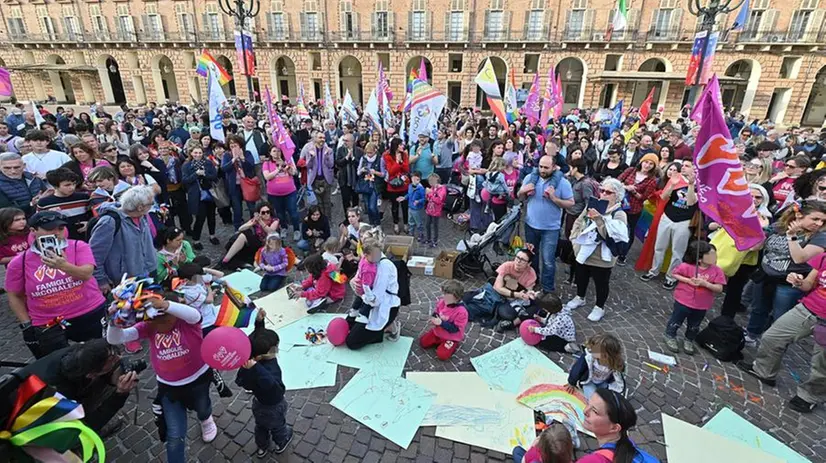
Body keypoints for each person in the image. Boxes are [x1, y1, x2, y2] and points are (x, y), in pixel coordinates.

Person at [106, 295, 218, 463]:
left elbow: (194, 314)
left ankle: (205, 418)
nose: (160, 325)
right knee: (174, 436)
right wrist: (114, 320)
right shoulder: (149, 327)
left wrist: (165, 305)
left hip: (198, 379)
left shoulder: (188, 322)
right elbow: (114, 339)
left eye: (165, 319)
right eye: (155, 320)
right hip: (169, 387)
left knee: (202, 406)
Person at [6, 211, 107, 358]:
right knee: (59, 363)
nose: (56, 233)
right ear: (33, 231)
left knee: (101, 357)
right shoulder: (19, 262)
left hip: (88, 312)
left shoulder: (78, 246)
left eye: (60, 228)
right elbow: (14, 295)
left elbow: (86, 274)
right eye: (49, 229)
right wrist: (26, 324)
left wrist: (64, 265)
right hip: (48, 321)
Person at [738, 248, 826, 413]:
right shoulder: (823, 258)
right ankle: (764, 371)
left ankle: (808, 396)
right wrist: (799, 282)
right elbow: (808, 284)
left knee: (821, 365)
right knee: (772, 337)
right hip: (808, 309)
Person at [12, 339, 138, 434]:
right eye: (112, 359)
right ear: (91, 374)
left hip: (59, 391)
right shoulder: (58, 394)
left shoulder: (79, 354)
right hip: (32, 422)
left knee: (114, 376)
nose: (120, 357)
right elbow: (84, 425)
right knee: (77, 430)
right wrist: (120, 394)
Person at [745, 200, 826, 344]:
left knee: (780, 317)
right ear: (799, 215)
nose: (819, 224)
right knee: (758, 309)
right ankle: (752, 335)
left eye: (823, 221)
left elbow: (799, 258)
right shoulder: (779, 227)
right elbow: (755, 247)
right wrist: (759, 229)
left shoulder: (820, 237)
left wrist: (792, 236)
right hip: (766, 275)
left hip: (788, 283)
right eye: (815, 219)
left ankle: (770, 345)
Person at [565, 178, 629, 322]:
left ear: (617, 195)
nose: (603, 194)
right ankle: (580, 297)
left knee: (601, 282)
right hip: (583, 252)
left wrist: (599, 220)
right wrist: (574, 238)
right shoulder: (593, 204)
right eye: (602, 190)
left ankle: (599, 307)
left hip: (602, 257)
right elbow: (580, 220)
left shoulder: (619, 214)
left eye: (608, 192)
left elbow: (614, 236)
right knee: (581, 276)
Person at [236, 310, 294, 457]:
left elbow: (256, 339)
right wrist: (257, 369)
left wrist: (259, 322)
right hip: (274, 405)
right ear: (264, 354)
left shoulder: (251, 360)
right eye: (275, 347)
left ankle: (262, 447)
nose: (277, 349)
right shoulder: (267, 369)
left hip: (258, 403)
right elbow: (274, 387)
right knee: (278, 426)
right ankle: (282, 441)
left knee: (260, 426)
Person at [518, 155, 575, 293]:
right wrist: (523, 191)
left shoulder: (562, 183)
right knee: (532, 257)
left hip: (551, 229)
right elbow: (520, 197)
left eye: (546, 167)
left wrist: (554, 198)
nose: (542, 170)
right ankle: (533, 281)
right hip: (531, 225)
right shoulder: (530, 178)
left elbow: (571, 203)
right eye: (541, 166)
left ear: (554, 167)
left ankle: (548, 289)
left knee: (548, 260)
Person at [713, 184, 772, 318]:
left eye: (758, 197)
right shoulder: (730, 210)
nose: (754, 199)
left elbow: (755, 247)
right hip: (721, 253)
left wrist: (762, 229)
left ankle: (726, 319)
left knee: (734, 291)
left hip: (744, 260)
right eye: (750, 196)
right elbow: (710, 225)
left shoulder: (765, 218)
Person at [640, 160, 698, 290]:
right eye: (682, 165)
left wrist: (691, 184)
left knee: (678, 251)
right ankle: (653, 270)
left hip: (684, 221)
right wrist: (672, 185)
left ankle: (671, 277)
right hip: (668, 217)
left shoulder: (699, 184)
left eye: (687, 166)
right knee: (659, 246)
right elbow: (664, 197)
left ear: (694, 169)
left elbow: (690, 202)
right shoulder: (676, 178)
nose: (683, 168)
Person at [89, 186, 158, 294]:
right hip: (126, 280)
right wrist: (101, 280)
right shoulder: (109, 222)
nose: (152, 206)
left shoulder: (142, 216)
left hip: (149, 271)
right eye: (151, 204)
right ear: (140, 207)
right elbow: (95, 254)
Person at [663, 241, 726, 354]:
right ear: (699, 259)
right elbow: (675, 274)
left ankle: (689, 339)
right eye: (710, 255)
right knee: (676, 319)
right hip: (683, 301)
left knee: (695, 324)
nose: (714, 257)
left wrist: (706, 284)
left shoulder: (717, 271)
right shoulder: (686, 266)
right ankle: (670, 335)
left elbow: (719, 288)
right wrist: (688, 280)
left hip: (701, 305)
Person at [344, 234, 403, 349]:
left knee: (352, 342)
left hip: (383, 305)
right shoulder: (367, 259)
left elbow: (376, 300)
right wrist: (353, 283)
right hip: (367, 300)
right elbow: (358, 277)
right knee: (348, 325)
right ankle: (381, 328)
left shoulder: (384, 267)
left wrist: (361, 294)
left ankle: (388, 327)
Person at [577, 389, 658, 462]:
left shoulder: (592, 461)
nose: (585, 411)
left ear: (614, 428)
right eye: (588, 403)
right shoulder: (629, 446)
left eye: (595, 411)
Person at [616, 154, 660, 266]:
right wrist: (626, 187)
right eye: (646, 162)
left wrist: (634, 192)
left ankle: (623, 254)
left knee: (629, 231)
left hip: (634, 208)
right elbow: (616, 182)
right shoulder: (631, 170)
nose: (647, 165)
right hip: (619, 204)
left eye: (651, 164)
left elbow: (644, 197)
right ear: (641, 162)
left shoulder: (652, 180)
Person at [490, 249, 539, 332]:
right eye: (517, 257)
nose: (518, 261)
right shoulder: (507, 266)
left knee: (538, 304)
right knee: (507, 314)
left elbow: (526, 293)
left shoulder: (531, 273)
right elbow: (498, 288)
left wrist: (529, 294)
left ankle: (513, 323)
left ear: (529, 264)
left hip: (519, 300)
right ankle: (520, 318)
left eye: (522, 260)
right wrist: (517, 294)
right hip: (503, 298)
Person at [221, 202, 279, 270]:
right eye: (263, 212)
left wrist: (261, 222)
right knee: (243, 234)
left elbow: (270, 232)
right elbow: (240, 229)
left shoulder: (274, 220)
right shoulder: (256, 220)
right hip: (258, 242)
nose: (266, 214)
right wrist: (251, 224)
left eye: (268, 212)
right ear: (259, 214)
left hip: (269, 244)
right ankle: (226, 260)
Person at [36, 168, 91, 240]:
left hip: (85, 238)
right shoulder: (44, 203)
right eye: (67, 185)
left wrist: (89, 224)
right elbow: (39, 224)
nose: (72, 188)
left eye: (74, 184)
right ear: (55, 186)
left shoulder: (84, 197)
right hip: (61, 240)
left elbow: (93, 215)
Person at [182, 145, 220, 250]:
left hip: (209, 193)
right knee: (200, 218)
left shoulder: (208, 163)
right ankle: (196, 239)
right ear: (191, 153)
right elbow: (185, 180)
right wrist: (196, 174)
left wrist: (205, 174)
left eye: (199, 153)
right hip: (196, 195)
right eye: (195, 153)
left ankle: (212, 235)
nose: (198, 155)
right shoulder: (187, 165)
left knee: (212, 216)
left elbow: (214, 176)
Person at [419, 280, 467, 361]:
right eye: (444, 294)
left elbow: (455, 329)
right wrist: (433, 318)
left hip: (451, 337)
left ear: (456, 298)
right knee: (423, 342)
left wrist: (441, 323)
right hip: (438, 332)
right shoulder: (442, 302)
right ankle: (439, 340)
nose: (444, 297)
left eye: (447, 295)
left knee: (442, 355)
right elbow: (436, 312)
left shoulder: (462, 312)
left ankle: (454, 343)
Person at [566, 333, 626, 399]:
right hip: (589, 382)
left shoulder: (615, 363)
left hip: (604, 383)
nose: (591, 350)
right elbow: (577, 369)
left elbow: (619, 378)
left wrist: (618, 390)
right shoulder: (588, 357)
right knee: (594, 398)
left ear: (606, 355)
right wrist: (571, 382)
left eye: (595, 349)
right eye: (592, 348)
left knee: (608, 399)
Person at [262, 145, 300, 242]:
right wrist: (277, 169)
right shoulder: (266, 163)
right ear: (270, 153)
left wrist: (288, 168)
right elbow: (267, 177)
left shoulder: (287, 160)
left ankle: (296, 229)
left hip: (290, 192)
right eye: (274, 151)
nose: (276, 153)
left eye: (278, 151)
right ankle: (283, 228)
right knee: (280, 213)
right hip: (274, 194)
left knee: (293, 212)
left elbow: (294, 173)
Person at [222, 134, 258, 229]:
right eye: (231, 145)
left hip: (247, 185)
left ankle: (256, 227)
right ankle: (238, 229)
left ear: (240, 145)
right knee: (237, 210)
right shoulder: (226, 155)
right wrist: (233, 160)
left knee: (252, 208)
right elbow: (224, 168)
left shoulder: (247, 153)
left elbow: (251, 167)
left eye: (235, 144)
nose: (233, 146)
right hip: (235, 186)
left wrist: (242, 158)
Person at [300, 130, 335, 219]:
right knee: (318, 203)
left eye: (323, 138)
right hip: (315, 179)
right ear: (315, 139)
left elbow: (331, 165)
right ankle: (321, 219)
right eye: (320, 137)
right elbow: (308, 166)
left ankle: (328, 220)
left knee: (327, 202)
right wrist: (311, 157)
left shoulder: (329, 150)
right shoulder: (309, 150)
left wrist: (326, 156)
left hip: (326, 179)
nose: (322, 140)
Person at [0, 152, 47, 217]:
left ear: (24, 165)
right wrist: (31, 204)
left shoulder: (34, 178)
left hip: (42, 217)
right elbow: (5, 210)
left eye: (17, 167)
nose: (13, 171)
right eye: (7, 168)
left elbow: (46, 194)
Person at [383, 138, 411, 234]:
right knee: (394, 206)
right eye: (400, 145)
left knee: (405, 205)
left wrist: (401, 162)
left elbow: (407, 168)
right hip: (393, 185)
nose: (403, 146)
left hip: (404, 185)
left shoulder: (405, 155)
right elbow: (390, 171)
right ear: (396, 146)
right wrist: (397, 163)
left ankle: (406, 224)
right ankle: (396, 223)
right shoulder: (387, 156)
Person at [356, 142, 386, 226]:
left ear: (375, 151)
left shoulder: (380, 159)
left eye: (371, 153)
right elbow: (358, 172)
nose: (369, 155)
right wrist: (362, 170)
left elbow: (383, 174)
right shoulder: (363, 158)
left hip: (375, 186)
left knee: (373, 207)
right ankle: (372, 224)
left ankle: (377, 224)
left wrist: (375, 172)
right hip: (365, 185)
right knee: (368, 208)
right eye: (367, 153)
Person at [335, 133, 362, 213]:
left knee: (355, 200)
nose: (344, 142)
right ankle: (347, 218)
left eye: (346, 141)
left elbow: (360, 164)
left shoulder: (359, 151)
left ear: (352, 141)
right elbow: (338, 163)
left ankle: (356, 217)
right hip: (344, 180)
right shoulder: (340, 149)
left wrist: (353, 158)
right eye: (343, 140)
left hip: (355, 180)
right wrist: (346, 158)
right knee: (346, 201)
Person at [398, 171, 426, 243]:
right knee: (411, 222)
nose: (414, 180)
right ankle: (411, 234)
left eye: (416, 179)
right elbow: (409, 194)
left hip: (417, 209)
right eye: (413, 178)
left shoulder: (421, 189)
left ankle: (421, 235)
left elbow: (424, 198)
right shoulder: (410, 186)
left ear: (419, 179)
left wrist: (418, 201)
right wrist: (404, 198)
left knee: (419, 223)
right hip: (410, 207)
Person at [424, 173, 446, 248]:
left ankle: (435, 240)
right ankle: (428, 238)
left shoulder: (442, 189)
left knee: (435, 226)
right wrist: (427, 194)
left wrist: (430, 193)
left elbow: (439, 200)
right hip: (429, 210)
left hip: (436, 211)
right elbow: (428, 198)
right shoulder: (432, 187)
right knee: (427, 225)